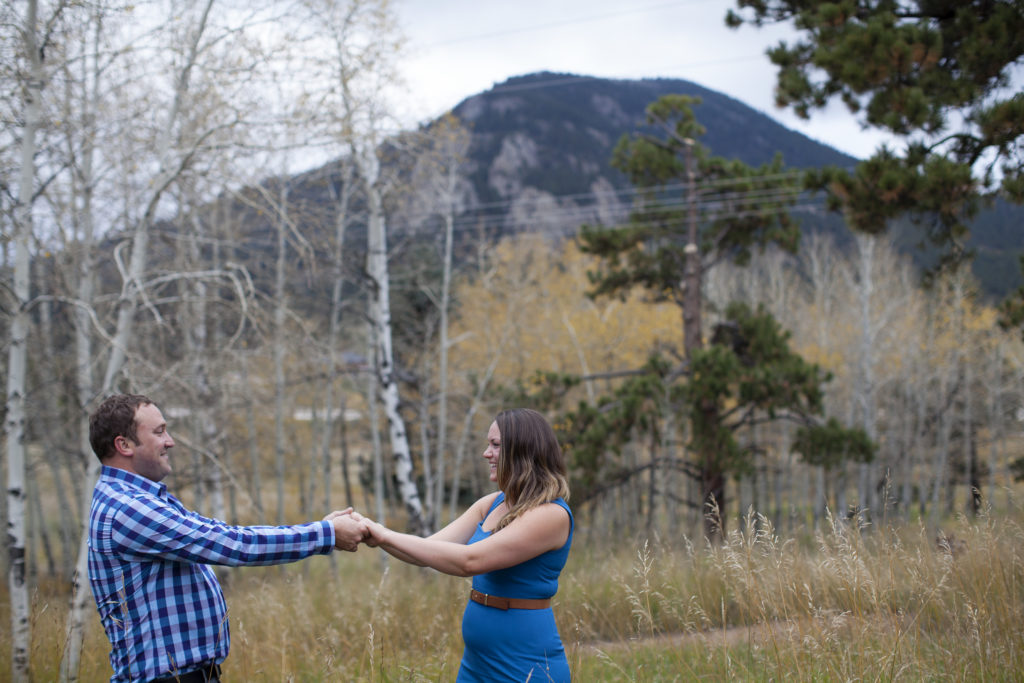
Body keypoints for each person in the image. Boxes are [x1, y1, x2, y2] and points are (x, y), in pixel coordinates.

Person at [86, 393, 367, 683]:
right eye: (159, 432)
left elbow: (217, 532)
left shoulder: (140, 499)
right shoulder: (129, 509)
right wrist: (326, 534)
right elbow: (232, 544)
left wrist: (322, 528)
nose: (170, 441)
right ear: (124, 445)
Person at [359, 408, 573, 682]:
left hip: (525, 664)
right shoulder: (492, 503)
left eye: (496, 445)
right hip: (476, 665)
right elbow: (425, 552)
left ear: (522, 450)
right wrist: (370, 533)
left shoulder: (550, 515)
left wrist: (382, 533)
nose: (486, 453)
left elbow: (468, 561)